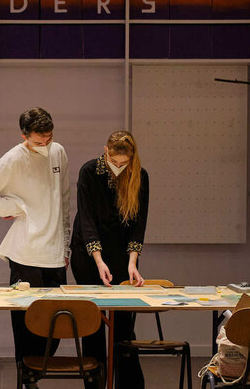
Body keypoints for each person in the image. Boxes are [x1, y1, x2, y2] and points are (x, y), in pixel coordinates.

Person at [0, 107, 70, 388]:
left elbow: (64, 200)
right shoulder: (13, 159)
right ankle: (26, 381)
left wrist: (66, 246)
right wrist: (15, 207)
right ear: (24, 136)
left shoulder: (59, 152)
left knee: (57, 328)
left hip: (55, 253)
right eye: (39, 141)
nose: (45, 144)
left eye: (49, 138)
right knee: (26, 327)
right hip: (25, 254)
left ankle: (34, 375)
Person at [70, 130, 149, 389]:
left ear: (131, 158)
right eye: (114, 162)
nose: (118, 167)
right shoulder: (89, 172)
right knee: (93, 325)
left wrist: (132, 263)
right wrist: (98, 260)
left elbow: (139, 225)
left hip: (121, 254)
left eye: (123, 163)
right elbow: (87, 220)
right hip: (88, 254)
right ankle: (95, 384)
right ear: (105, 151)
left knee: (123, 328)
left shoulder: (140, 175)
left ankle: (129, 385)